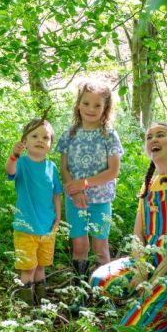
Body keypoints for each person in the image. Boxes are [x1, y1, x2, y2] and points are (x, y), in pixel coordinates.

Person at [91, 122, 167, 332]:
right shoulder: (148, 184)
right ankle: (152, 306)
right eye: (149, 137)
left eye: (160, 135)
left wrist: (155, 277)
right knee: (100, 281)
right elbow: (138, 236)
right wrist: (142, 270)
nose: (153, 139)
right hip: (150, 261)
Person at [56, 80, 124, 281]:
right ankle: (80, 292)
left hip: (101, 200)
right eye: (86, 103)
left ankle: (103, 291)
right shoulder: (70, 134)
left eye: (97, 105)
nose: (91, 109)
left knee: (100, 246)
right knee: (79, 245)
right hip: (75, 200)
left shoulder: (109, 135)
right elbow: (64, 168)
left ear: (105, 108)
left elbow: (113, 171)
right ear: (78, 104)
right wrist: (75, 191)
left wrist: (84, 183)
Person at [6, 115, 63, 306]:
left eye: (45, 137)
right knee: (28, 269)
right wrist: (14, 155)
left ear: (50, 144)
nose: (40, 140)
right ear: (25, 142)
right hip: (26, 227)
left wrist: (58, 217)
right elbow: (10, 171)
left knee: (41, 267)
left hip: (47, 227)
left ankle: (42, 303)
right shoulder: (21, 163)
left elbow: (56, 193)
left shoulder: (51, 167)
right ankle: (27, 307)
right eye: (34, 136)